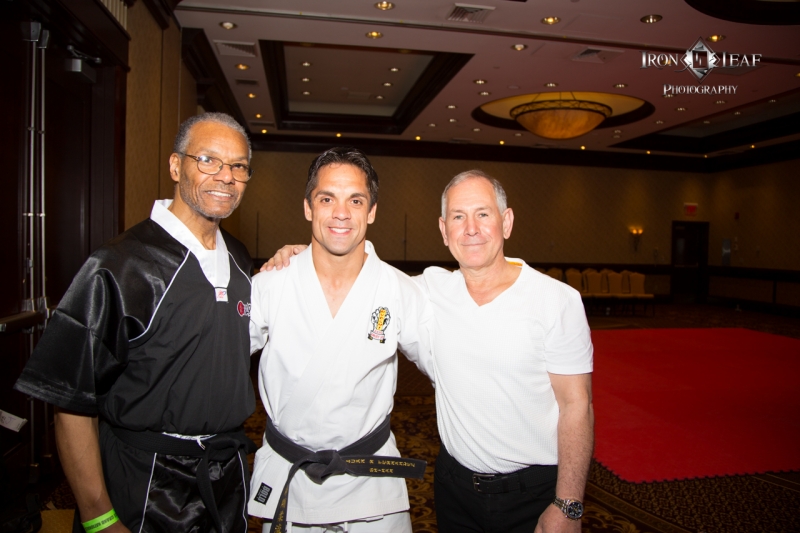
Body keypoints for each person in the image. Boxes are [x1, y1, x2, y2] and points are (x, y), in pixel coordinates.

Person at [265, 170, 594, 533]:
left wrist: (568, 504)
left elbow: (576, 405)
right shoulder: (428, 291)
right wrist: (305, 257)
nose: (471, 229)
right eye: (458, 216)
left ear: (507, 221)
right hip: (455, 489)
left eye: (483, 214)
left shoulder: (556, 300)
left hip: (533, 491)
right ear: (443, 229)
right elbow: (361, 279)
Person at [14, 112, 258, 533]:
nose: (225, 176)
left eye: (238, 166)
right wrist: (98, 517)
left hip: (226, 479)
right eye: (208, 160)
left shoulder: (239, 258)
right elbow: (71, 403)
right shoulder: (119, 265)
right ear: (175, 165)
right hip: (144, 484)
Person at [247, 147, 432, 533]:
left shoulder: (398, 289)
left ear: (372, 211)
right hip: (292, 478)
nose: (341, 213)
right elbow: (215, 363)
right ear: (308, 207)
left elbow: (447, 367)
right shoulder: (270, 286)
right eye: (327, 199)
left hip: (371, 484)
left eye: (356, 200)